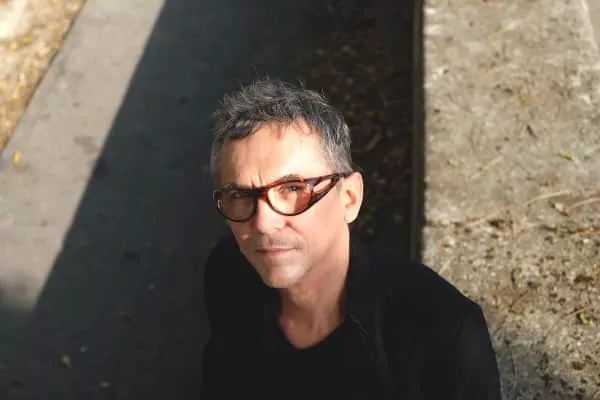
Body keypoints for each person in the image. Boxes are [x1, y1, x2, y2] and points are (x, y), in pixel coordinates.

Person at [201, 78, 501, 399]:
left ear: (350, 198)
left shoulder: (443, 335)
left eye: (292, 189)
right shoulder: (229, 272)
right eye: (240, 195)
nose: (263, 223)